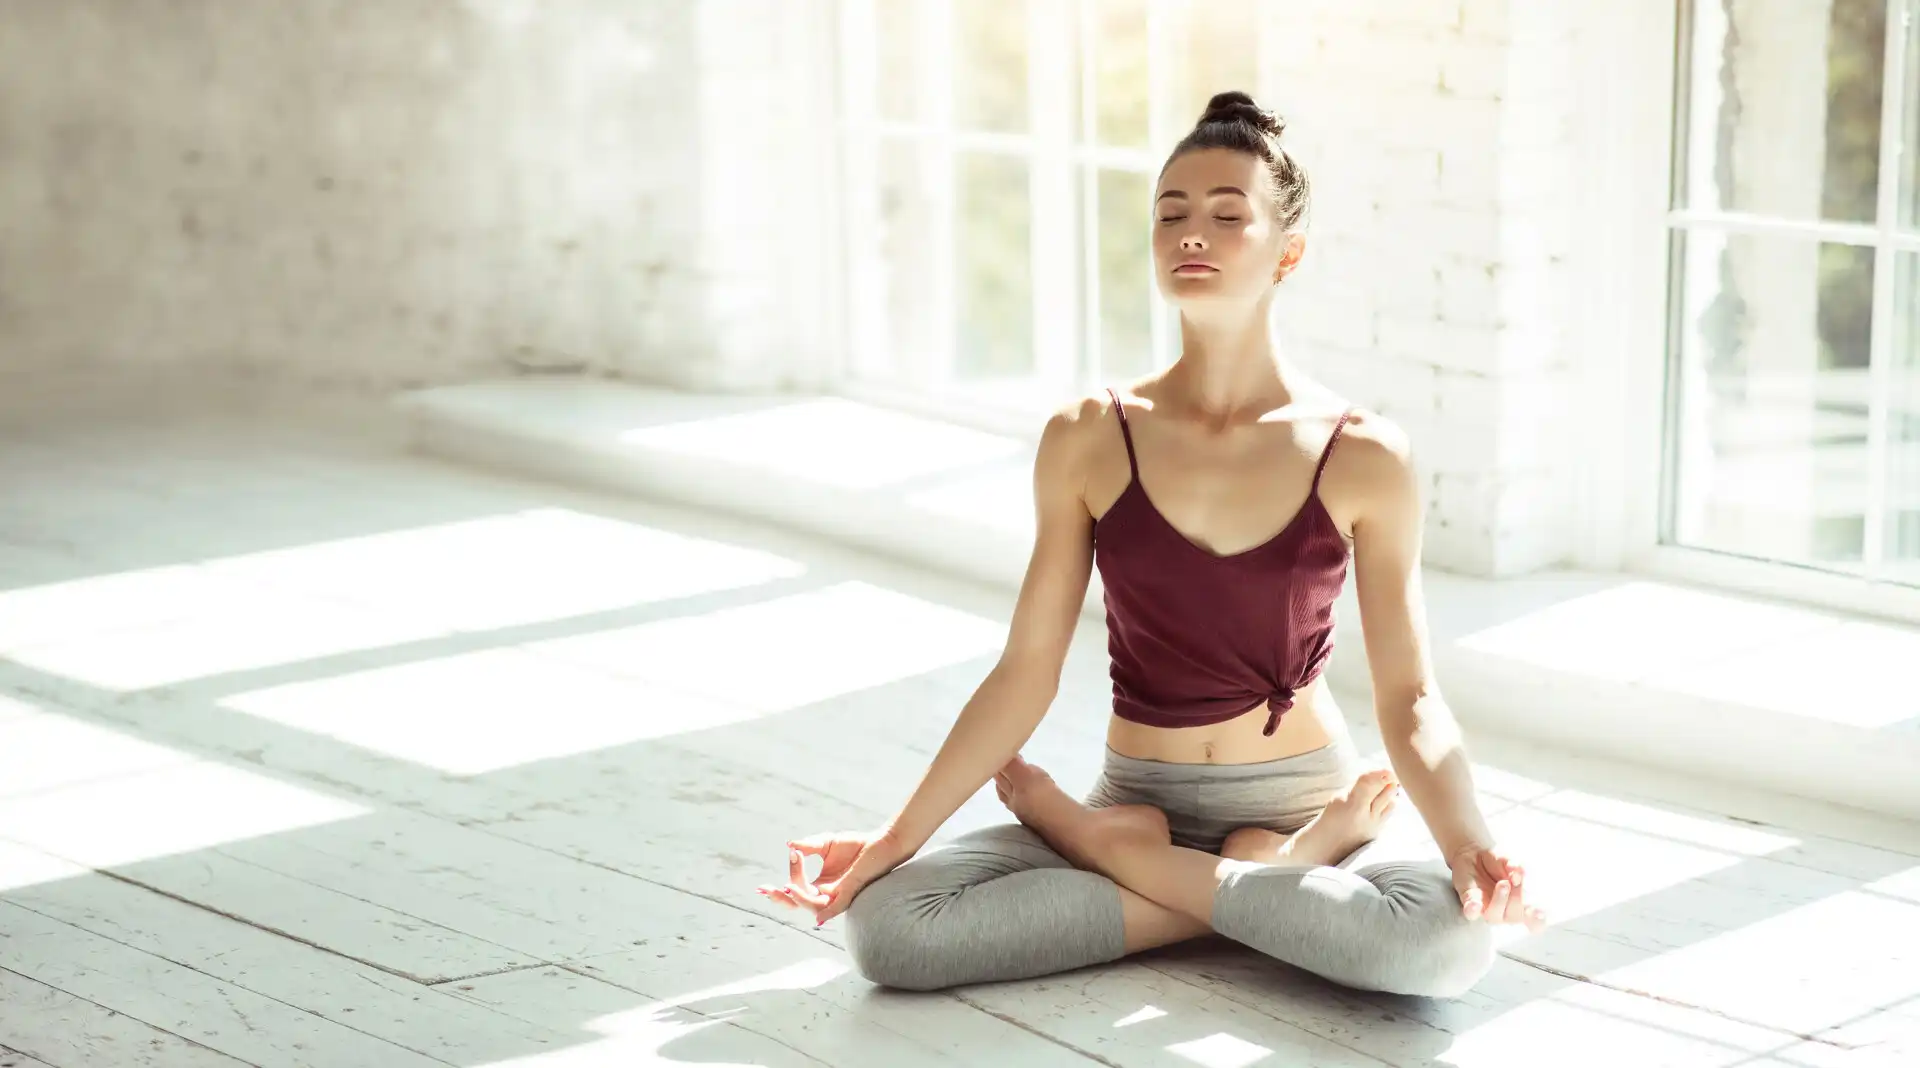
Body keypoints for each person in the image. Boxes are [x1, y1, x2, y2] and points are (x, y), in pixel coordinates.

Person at [758, 90, 1546, 997]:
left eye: (1225, 215)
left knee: (1442, 949)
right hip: (1142, 792)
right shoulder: (1090, 434)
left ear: (1287, 252)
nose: (1191, 235)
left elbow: (1409, 695)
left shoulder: (1362, 453)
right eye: (1171, 214)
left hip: (1293, 793)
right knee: (891, 930)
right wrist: (893, 842)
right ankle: (1275, 882)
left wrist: (1466, 841)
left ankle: (1153, 859)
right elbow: (1025, 670)